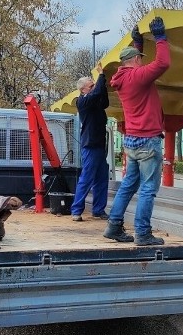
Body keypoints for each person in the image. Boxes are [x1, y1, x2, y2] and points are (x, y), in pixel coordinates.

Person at [103, 16, 170, 246]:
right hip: (147, 142)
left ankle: (113, 226)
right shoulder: (138, 77)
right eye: (140, 58)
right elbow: (162, 64)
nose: (142, 61)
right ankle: (143, 233)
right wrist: (160, 37)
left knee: (129, 185)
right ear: (134, 61)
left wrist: (137, 44)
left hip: (132, 141)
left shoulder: (123, 78)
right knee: (148, 189)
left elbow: (135, 64)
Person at [70, 61, 110, 221]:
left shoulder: (93, 100)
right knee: (86, 178)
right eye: (91, 86)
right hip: (91, 145)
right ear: (83, 90)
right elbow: (97, 93)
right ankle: (76, 210)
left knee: (101, 178)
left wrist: (102, 83)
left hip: (99, 145)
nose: (94, 87)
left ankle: (98, 209)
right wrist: (101, 75)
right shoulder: (83, 101)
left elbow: (104, 100)